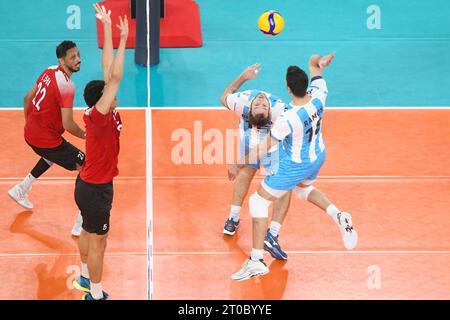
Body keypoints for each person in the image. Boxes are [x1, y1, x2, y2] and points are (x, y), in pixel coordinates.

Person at [228, 53, 358, 281]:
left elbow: (261, 149)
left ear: (288, 89)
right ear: (305, 85)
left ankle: (257, 261)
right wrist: (318, 63)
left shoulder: (288, 119)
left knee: (257, 202)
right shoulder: (319, 95)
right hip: (318, 155)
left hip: (295, 165)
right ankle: (339, 216)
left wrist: (237, 165)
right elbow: (316, 69)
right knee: (304, 190)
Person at [72, 4, 128, 300]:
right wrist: (123, 40)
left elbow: (108, 70)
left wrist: (107, 28)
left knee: (86, 232)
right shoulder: (101, 116)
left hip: (87, 185)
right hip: (96, 190)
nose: (115, 92)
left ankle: (82, 277)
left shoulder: (98, 111)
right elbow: (116, 77)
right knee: (99, 242)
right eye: (109, 93)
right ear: (102, 100)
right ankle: (94, 293)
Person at [7, 39, 86, 237]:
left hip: (30, 134)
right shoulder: (67, 86)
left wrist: (30, 124)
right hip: (46, 140)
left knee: (51, 154)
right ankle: (82, 220)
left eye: (78, 55)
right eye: (72, 57)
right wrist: (88, 135)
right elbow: (68, 125)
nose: (78, 60)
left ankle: (21, 189)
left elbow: (27, 98)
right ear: (62, 61)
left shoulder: (49, 70)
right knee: (87, 167)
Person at [220, 63, 292, 260]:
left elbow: (225, 95)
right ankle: (233, 218)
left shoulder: (248, 104)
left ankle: (272, 234)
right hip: (249, 138)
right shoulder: (277, 109)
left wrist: (242, 77)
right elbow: (224, 97)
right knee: (248, 172)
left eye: (260, 105)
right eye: (260, 105)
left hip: (274, 142)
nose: (261, 101)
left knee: (282, 185)